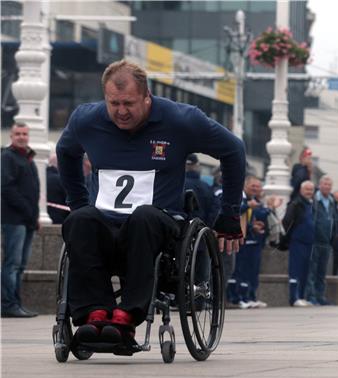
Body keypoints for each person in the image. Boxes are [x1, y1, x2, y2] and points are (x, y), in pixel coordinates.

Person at [56, 60, 245, 345]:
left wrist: (229, 214)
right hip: (106, 226)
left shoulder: (181, 120)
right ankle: (93, 314)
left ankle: (128, 317)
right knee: (80, 219)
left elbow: (234, 149)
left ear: (147, 97)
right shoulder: (87, 119)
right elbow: (65, 152)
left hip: (158, 225)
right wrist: (78, 202)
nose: (121, 111)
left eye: (129, 103)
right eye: (114, 103)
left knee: (143, 216)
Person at [1, 122, 40, 318]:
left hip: (27, 220)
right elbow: (7, 188)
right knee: (12, 264)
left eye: (25, 133)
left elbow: (32, 191)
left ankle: (16, 303)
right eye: (18, 133)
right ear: (11, 135)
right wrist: (28, 211)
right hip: (14, 219)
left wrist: (34, 215)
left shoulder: (27, 158)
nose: (22, 137)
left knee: (21, 265)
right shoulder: (7, 157)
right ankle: (8, 305)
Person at [230, 176, 277, 309]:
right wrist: (248, 209)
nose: (255, 189)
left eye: (258, 186)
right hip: (242, 240)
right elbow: (236, 214)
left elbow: (259, 217)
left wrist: (270, 208)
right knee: (239, 271)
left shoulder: (256, 201)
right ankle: (236, 298)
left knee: (252, 272)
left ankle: (250, 296)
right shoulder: (241, 198)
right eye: (253, 186)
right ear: (245, 185)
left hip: (255, 240)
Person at [305, 175, 338, 305]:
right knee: (312, 271)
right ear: (320, 185)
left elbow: (334, 220)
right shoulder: (314, 199)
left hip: (327, 241)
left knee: (322, 272)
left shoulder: (331, 201)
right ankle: (311, 296)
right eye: (325, 184)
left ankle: (320, 296)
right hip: (315, 240)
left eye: (329, 185)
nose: (327, 187)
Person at [283, 180, 315, 307]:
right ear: (301, 190)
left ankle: (301, 296)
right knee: (295, 270)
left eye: (311, 190)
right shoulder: (296, 204)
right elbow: (286, 221)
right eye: (306, 189)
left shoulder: (311, 204)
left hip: (309, 242)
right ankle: (293, 297)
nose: (309, 192)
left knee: (304, 271)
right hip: (297, 242)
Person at [183, 153, 216, 225]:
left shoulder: (178, 184)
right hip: (201, 229)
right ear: (197, 165)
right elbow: (213, 210)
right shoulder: (207, 187)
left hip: (180, 228)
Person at [46, 153, 70, 224]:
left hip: (44, 218)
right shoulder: (61, 180)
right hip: (60, 219)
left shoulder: (41, 177)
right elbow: (69, 200)